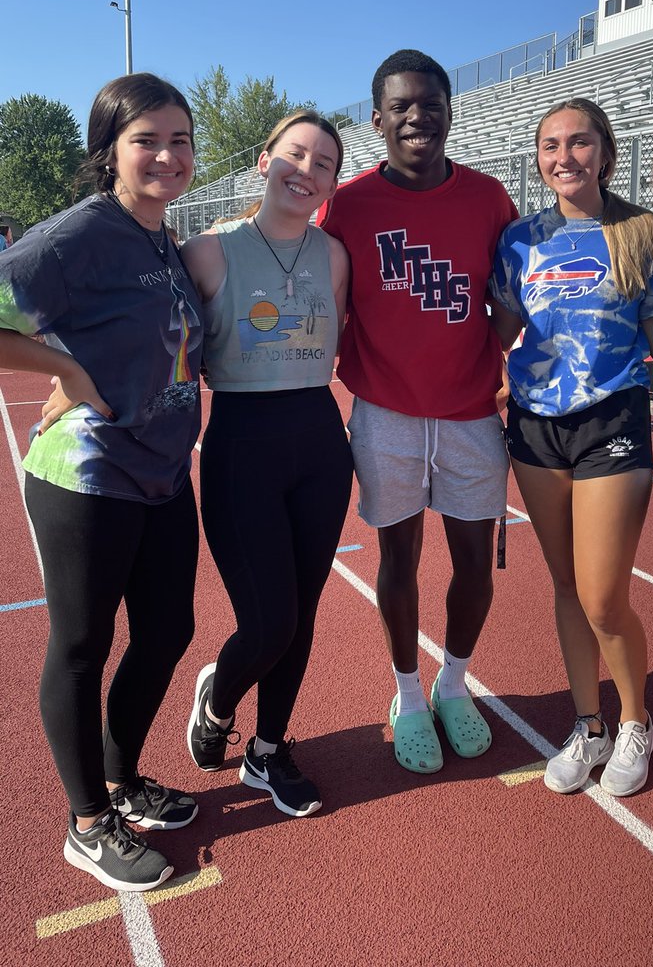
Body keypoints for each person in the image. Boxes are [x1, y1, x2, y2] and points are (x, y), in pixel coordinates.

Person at [0, 74, 203, 891]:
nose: (167, 154)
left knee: (167, 632)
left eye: (180, 138)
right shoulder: (77, 235)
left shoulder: (161, 235)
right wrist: (62, 369)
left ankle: (121, 781)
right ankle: (88, 824)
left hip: (163, 468)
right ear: (109, 153)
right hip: (86, 474)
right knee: (83, 646)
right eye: (146, 139)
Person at [318, 49, 517, 774]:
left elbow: (511, 306)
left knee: (474, 564)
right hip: (386, 411)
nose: (416, 117)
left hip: (469, 411)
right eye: (401, 106)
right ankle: (406, 693)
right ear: (377, 120)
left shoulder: (491, 199)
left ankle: (453, 683)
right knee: (398, 557)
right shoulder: (349, 205)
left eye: (429, 103)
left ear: (449, 112)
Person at [490, 98, 653, 797]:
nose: (563, 157)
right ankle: (590, 723)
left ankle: (637, 722)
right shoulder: (518, 240)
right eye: (549, 146)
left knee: (603, 594)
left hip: (613, 419)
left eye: (578, 143)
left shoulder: (643, 234)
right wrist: (492, 383)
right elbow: (504, 327)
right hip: (536, 428)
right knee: (566, 584)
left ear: (605, 151)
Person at [182, 111, 352, 816]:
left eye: (323, 164)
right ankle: (220, 695)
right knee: (268, 620)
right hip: (241, 442)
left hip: (318, 437)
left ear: (333, 182)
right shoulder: (208, 251)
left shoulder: (334, 256)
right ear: (263, 160)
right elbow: (156, 341)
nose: (305, 171)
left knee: (303, 610)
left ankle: (270, 749)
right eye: (295, 155)